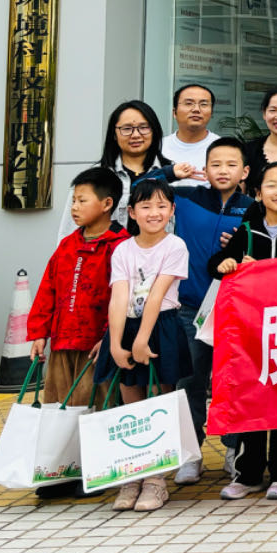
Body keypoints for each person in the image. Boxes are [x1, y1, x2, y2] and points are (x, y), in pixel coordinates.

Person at [27, 167, 127, 500]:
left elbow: (122, 298)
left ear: (107, 204)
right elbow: (48, 290)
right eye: (73, 200)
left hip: (95, 346)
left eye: (82, 200)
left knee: (92, 406)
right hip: (62, 341)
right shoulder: (67, 245)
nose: (74, 207)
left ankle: (95, 472)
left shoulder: (120, 246)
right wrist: (39, 333)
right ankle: (60, 471)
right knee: (58, 407)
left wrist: (109, 337)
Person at [211, 162, 277, 502]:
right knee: (251, 400)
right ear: (257, 192)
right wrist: (228, 265)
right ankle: (248, 474)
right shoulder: (248, 231)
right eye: (271, 185)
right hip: (251, 333)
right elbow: (216, 263)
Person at [103, 182, 192, 512]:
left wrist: (143, 339)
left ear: (172, 211)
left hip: (161, 327)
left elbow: (157, 294)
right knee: (132, 409)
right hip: (126, 327)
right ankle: (133, 477)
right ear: (131, 212)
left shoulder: (175, 245)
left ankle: (156, 481)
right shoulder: (123, 250)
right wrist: (116, 343)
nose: (154, 213)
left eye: (161, 206)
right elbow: (119, 297)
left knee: (159, 403)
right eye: (145, 206)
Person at [171, 136, 253, 478]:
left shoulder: (253, 208)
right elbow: (143, 188)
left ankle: (235, 451)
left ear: (245, 171)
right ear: (204, 169)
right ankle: (190, 454)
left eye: (232, 164)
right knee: (188, 382)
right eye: (215, 164)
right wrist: (171, 172)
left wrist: (238, 245)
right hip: (190, 307)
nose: (223, 170)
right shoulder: (185, 197)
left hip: (234, 311)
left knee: (232, 383)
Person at [56, 100, 174, 238]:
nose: (136, 135)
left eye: (143, 127)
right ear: (114, 134)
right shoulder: (95, 178)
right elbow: (70, 231)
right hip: (106, 252)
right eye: (126, 129)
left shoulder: (174, 175)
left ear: (154, 130)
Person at [162, 84, 217, 188]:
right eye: (188, 103)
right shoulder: (159, 147)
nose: (196, 109)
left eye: (204, 104)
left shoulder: (223, 147)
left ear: (211, 112)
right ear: (174, 112)